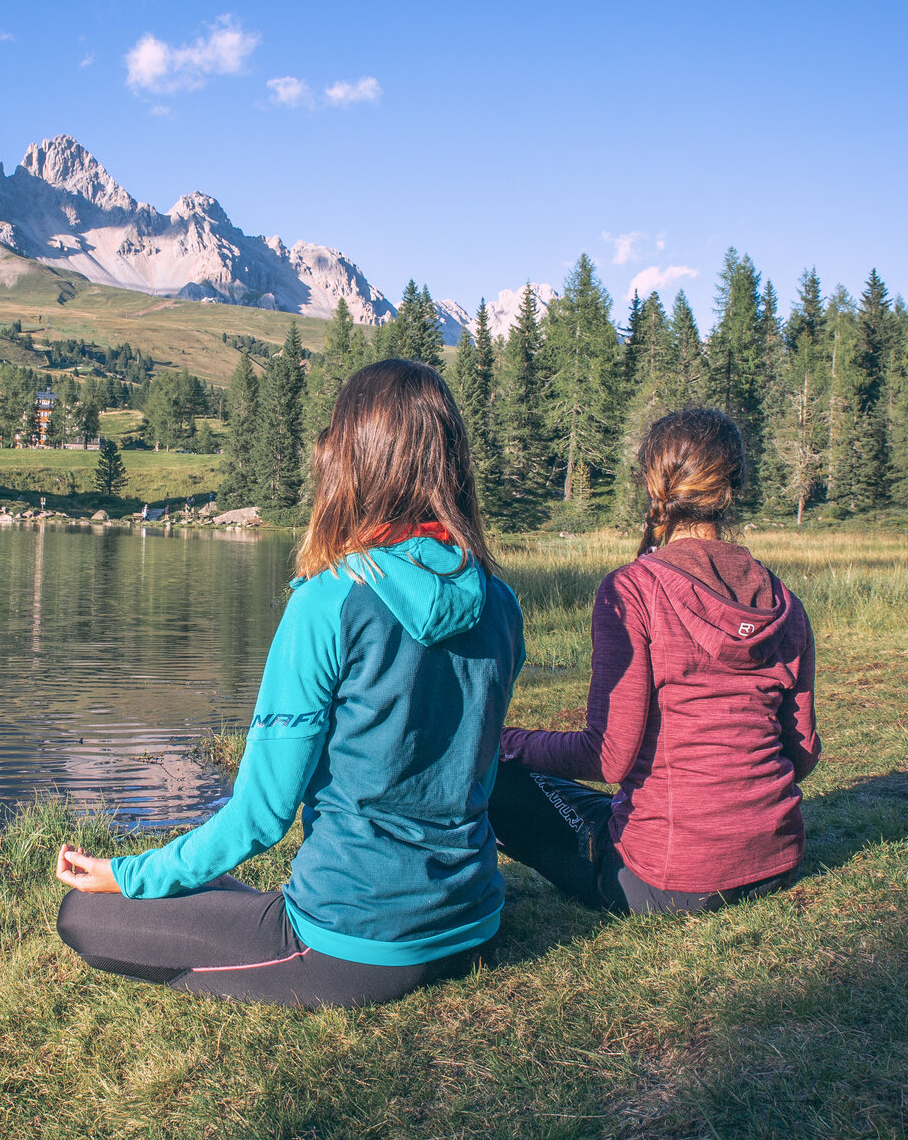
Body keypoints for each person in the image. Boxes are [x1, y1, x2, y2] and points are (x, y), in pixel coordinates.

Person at [54, 359, 525, 1008]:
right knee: (207, 902)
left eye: (333, 435)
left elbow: (260, 816)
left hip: (355, 943)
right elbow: (477, 777)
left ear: (353, 459)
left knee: (82, 918)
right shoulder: (500, 601)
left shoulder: (331, 599)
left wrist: (126, 873)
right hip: (475, 922)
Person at [489, 408, 820, 915]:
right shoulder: (783, 601)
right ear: (734, 485)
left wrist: (506, 741)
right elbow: (802, 756)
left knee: (492, 773)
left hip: (668, 879)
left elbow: (609, 756)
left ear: (652, 483)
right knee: (592, 804)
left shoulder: (634, 589)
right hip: (777, 859)